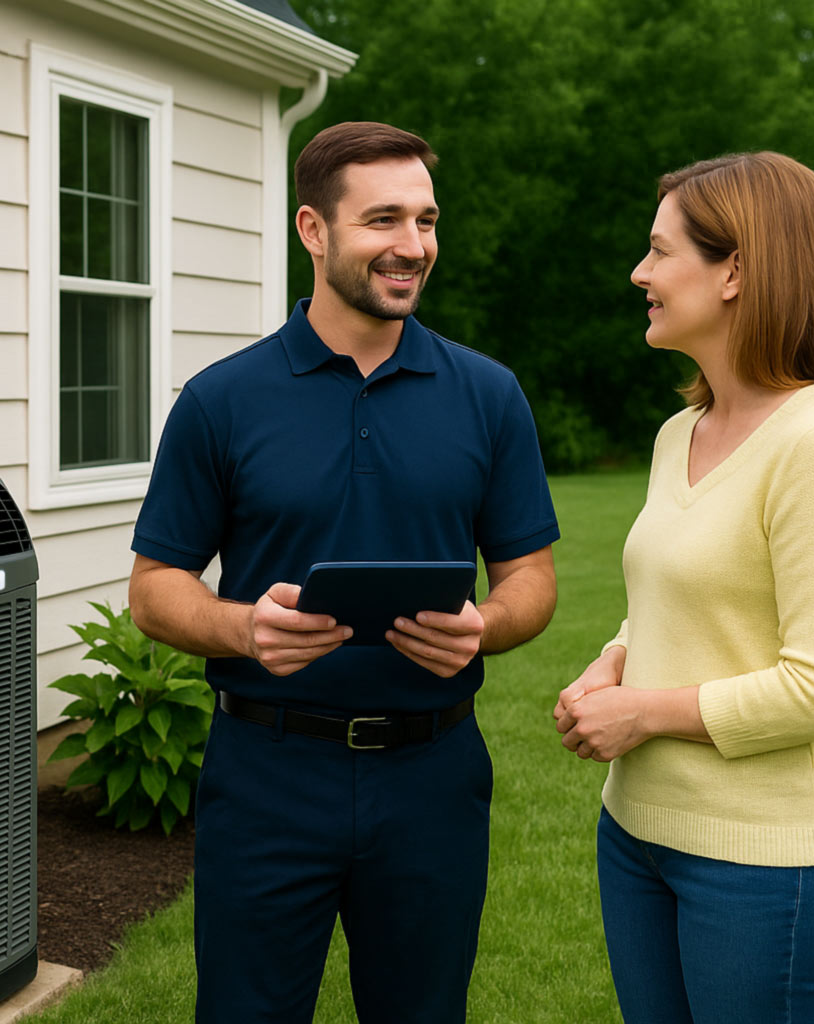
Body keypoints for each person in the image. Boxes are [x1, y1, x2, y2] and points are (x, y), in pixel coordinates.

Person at [128, 121, 559, 1024]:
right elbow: (155, 587)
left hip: (432, 776)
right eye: (384, 221)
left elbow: (531, 582)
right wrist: (243, 627)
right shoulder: (222, 399)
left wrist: (486, 624)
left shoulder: (489, 394)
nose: (413, 246)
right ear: (313, 231)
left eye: (427, 220)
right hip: (267, 772)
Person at [554, 151, 814, 1024]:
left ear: (736, 269)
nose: (641, 273)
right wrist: (610, 664)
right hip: (636, 836)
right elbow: (664, 593)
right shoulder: (682, 431)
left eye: (661, 251)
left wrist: (642, 712)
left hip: (769, 862)